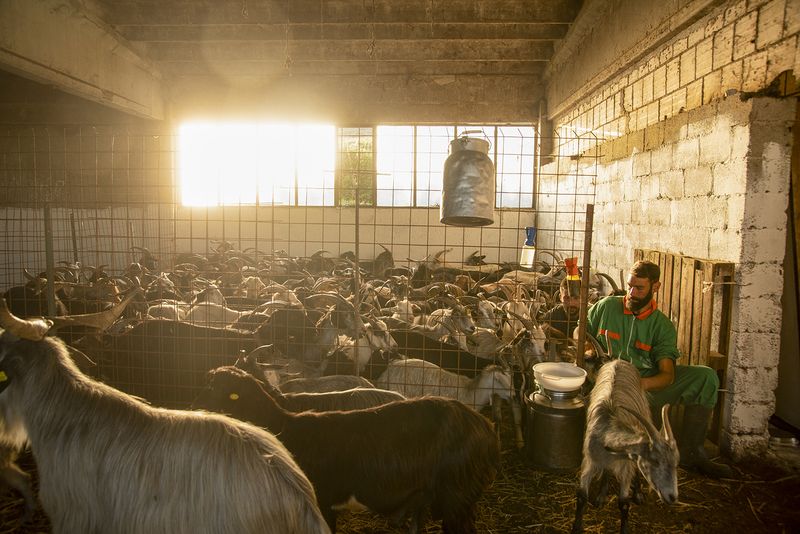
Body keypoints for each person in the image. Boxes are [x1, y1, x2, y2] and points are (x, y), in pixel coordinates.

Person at [584, 260, 733, 479]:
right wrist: (587, 347)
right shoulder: (606, 306)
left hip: (643, 387)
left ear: (656, 287)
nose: (631, 293)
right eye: (629, 286)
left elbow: (667, 376)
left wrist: (636, 385)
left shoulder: (661, 326)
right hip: (607, 386)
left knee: (706, 377)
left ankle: (693, 452)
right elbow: (580, 331)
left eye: (639, 288)